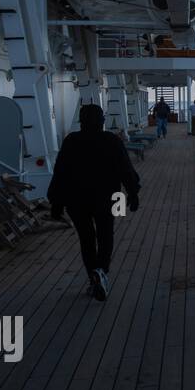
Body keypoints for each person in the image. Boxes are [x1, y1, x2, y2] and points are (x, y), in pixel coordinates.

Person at [47, 103, 140, 301]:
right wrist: (133, 194)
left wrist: (56, 203)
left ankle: (93, 277)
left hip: (77, 200)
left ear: (81, 122)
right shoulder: (112, 140)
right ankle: (102, 271)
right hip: (111, 198)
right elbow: (125, 169)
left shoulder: (71, 141)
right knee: (107, 235)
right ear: (102, 121)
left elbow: (60, 173)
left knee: (87, 239)